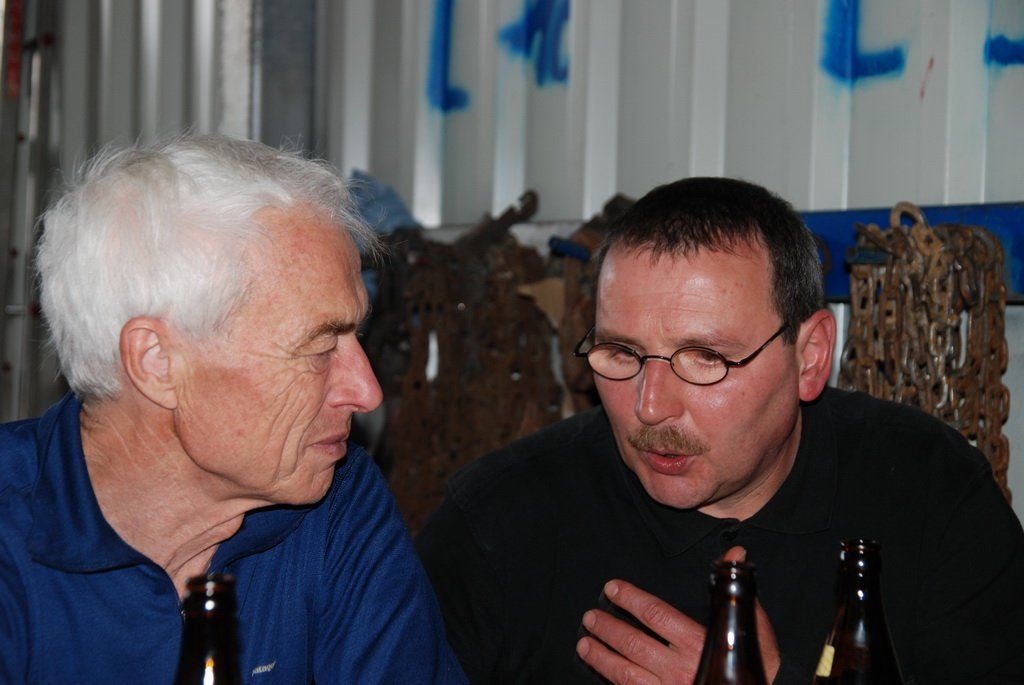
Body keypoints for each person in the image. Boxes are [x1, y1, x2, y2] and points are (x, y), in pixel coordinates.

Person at [416, 177, 1024, 683]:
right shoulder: (499, 520)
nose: (650, 407)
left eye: (705, 358)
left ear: (810, 357)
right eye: (622, 353)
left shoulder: (931, 495)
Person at [0, 136, 466, 683]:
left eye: (355, 336)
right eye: (319, 348)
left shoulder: (335, 498)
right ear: (157, 363)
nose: (367, 392)